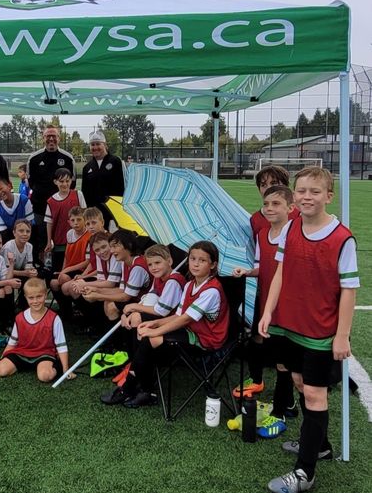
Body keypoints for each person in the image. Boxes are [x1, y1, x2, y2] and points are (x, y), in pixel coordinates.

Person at [259, 168, 359, 493]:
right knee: (300, 383)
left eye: (314, 191)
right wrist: (269, 310)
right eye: (301, 190)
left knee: (315, 395)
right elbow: (281, 272)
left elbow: (348, 290)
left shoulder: (342, 238)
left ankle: (305, 473)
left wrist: (342, 334)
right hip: (289, 325)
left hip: (320, 331)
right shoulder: (291, 227)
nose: (306, 197)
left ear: (328, 196)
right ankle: (320, 445)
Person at [101, 241, 229, 408]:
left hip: (207, 338)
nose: (196, 264)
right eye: (192, 258)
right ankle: (142, 388)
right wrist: (154, 323)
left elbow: (184, 319)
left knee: (150, 339)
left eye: (202, 260)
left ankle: (133, 387)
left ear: (213, 265)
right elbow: (178, 315)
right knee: (145, 331)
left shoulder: (211, 290)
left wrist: (156, 331)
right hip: (191, 330)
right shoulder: (190, 284)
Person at [233, 185, 296, 438]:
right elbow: (262, 266)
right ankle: (288, 405)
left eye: (276, 204)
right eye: (266, 204)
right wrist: (247, 271)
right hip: (269, 304)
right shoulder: (262, 234)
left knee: (284, 361)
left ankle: (280, 412)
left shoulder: (296, 234)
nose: (269, 208)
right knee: (279, 357)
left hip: (289, 306)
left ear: (290, 208)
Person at [0, 278, 74, 383]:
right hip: (22, 352)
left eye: (39, 296)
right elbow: (12, 343)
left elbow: (61, 345)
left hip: (44, 353)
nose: (35, 301)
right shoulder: (20, 317)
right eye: (31, 298)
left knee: (45, 376)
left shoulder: (54, 318)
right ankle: (26, 365)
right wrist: (0, 361)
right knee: (1, 370)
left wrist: (66, 369)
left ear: (45, 295)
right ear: (26, 298)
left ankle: (55, 365)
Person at [27, 125, 75, 256]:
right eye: (48, 136)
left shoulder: (67, 158)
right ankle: (44, 268)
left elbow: (73, 183)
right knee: (42, 240)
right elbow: (31, 183)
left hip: (63, 210)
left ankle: (62, 265)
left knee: (63, 239)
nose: (51, 139)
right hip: (40, 209)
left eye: (54, 136)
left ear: (59, 138)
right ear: (43, 138)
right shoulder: (34, 158)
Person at [120, 244, 186, 331]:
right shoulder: (158, 277)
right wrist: (131, 312)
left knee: (137, 318)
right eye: (150, 265)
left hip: (172, 319)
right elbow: (148, 299)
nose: (154, 268)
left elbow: (161, 311)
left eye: (157, 263)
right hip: (161, 313)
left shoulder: (173, 281)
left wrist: (135, 307)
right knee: (130, 315)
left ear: (169, 261)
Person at [44, 168, 86, 272]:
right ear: (55, 182)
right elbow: (49, 223)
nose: (65, 184)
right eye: (61, 181)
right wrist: (49, 241)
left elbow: (85, 215)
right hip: (59, 240)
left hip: (79, 239)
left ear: (71, 181)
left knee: (77, 267)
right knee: (59, 269)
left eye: (67, 181)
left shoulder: (78, 194)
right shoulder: (51, 201)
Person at [81, 130, 125, 226]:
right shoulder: (87, 167)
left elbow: (123, 187)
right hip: (95, 215)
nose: (95, 147)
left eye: (98, 144)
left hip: (113, 212)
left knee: (114, 239)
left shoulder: (116, 162)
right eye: (92, 145)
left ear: (104, 145)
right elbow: (85, 193)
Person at [49, 206, 90, 296]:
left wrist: (66, 270)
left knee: (63, 279)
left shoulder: (89, 236)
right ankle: (65, 309)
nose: (76, 223)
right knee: (53, 283)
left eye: (79, 219)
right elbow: (66, 255)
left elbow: (87, 262)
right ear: (69, 222)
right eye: (73, 220)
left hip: (81, 269)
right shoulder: (69, 233)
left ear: (85, 220)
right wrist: (63, 269)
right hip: (70, 269)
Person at [251, 165, 300, 237]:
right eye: (263, 185)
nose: (268, 188)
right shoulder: (255, 220)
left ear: (285, 186)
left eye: (274, 183)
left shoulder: (299, 216)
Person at [0, 176, 34, 242]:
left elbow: (29, 224)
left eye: (1, 188)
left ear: (9, 186)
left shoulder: (24, 200)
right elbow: (4, 233)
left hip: (28, 237)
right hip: (11, 240)